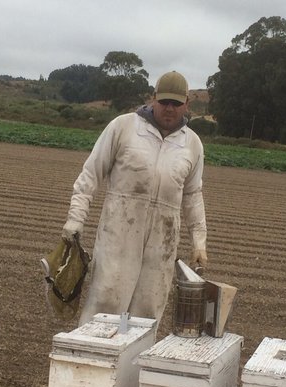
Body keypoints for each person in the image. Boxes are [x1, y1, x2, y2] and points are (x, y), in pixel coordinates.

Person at [62, 71, 207, 326]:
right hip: (118, 234)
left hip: (162, 242)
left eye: (176, 103)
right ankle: (91, 363)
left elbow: (193, 195)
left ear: (187, 103)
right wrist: (75, 220)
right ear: (153, 99)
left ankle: (134, 366)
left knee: (147, 314)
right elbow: (90, 174)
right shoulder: (123, 127)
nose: (169, 109)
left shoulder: (192, 144)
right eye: (164, 102)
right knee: (105, 305)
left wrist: (199, 242)